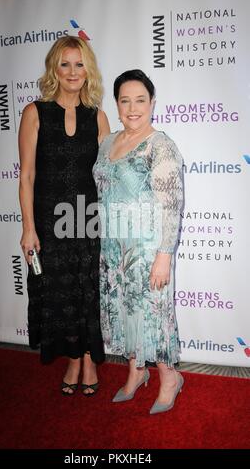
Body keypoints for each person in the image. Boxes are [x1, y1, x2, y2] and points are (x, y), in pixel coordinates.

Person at [18, 36, 110, 396]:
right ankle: (74, 358)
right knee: (61, 292)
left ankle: (87, 358)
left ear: (89, 70)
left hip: (87, 220)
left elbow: (107, 175)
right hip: (49, 224)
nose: (73, 72)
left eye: (79, 64)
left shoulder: (97, 117)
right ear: (54, 69)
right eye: (65, 64)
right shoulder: (34, 113)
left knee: (87, 291)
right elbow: (26, 175)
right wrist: (28, 228)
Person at [93, 69, 184, 413]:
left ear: (152, 103)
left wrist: (164, 255)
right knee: (123, 310)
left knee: (153, 316)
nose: (133, 108)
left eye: (140, 100)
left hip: (147, 249)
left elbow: (172, 206)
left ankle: (169, 378)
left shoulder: (161, 145)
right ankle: (135, 372)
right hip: (113, 246)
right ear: (116, 105)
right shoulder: (107, 142)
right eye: (125, 100)